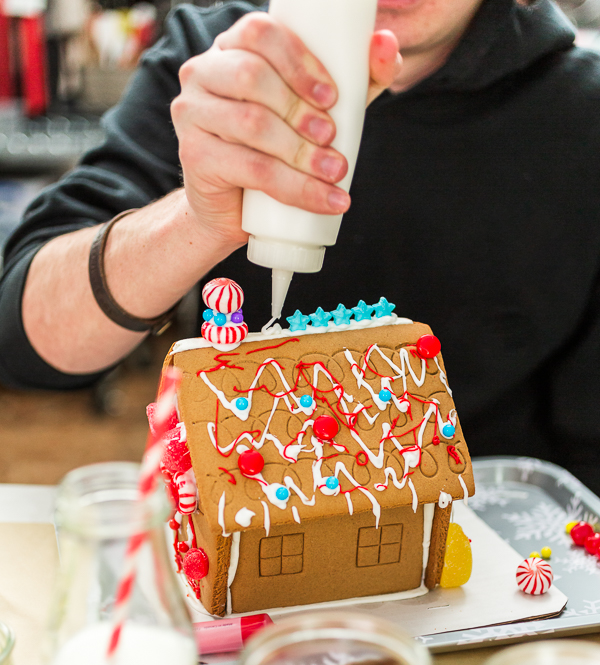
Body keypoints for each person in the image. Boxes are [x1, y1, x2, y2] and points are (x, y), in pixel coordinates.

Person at [1, 0, 600, 491]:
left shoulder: (579, 116)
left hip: (499, 558)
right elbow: (24, 337)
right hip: (245, 520)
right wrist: (198, 218)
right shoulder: (220, 61)